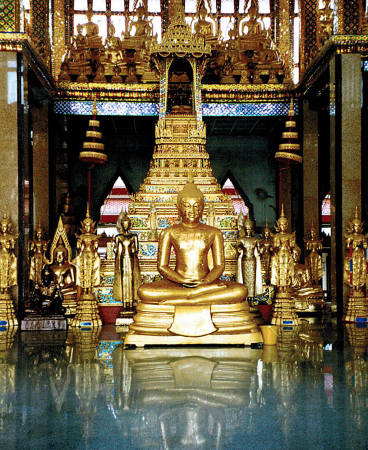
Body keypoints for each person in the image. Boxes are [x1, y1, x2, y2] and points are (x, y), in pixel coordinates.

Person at [138, 181, 247, 305]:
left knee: (241, 290)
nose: (192, 210)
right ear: (179, 207)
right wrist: (182, 280)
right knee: (144, 291)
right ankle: (196, 295)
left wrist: (206, 281)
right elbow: (162, 266)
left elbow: (219, 266)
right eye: (187, 206)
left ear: (202, 208)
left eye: (196, 206)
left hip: (206, 282)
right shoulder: (169, 232)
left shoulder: (214, 232)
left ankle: (193, 298)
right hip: (178, 283)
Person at [113, 211, 141, 310]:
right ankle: (125, 302)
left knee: (131, 280)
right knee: (124, 280)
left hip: (131, 260)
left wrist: (133, 250)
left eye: (127, 224)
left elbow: (136, 249)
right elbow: (115, 249)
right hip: (122, 260)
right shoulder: (118, 237)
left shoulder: (134, 237)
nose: (125, 226)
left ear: (129, 225)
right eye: (124, 224)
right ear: (121, 225)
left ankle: (131, 301)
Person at [73, 210, 101, 296]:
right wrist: (79, 243)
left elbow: (96, 248)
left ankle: (90, 290)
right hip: (84, 255)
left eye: (89, 226)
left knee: (91, 272)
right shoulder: (82, 236)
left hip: (92, 255)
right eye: (86, 226)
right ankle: (84, 290)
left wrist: (96, 243)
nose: (88, 228)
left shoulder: (94, 237)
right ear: (84, 227)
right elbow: (79, 248)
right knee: (84, 273)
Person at [236, 217, 262, 299]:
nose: (248, 230)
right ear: (244, 229)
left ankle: (252, 298)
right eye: (247, 229)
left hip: (253, 260)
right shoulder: (241, 240)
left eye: (250, 229)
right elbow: (237, 249)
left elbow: (259, 251)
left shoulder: (255, 239)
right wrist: (239, 250)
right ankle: (244, 296)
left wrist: (263, 249)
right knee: (244, 280)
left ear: (252, 229)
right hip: (244, 260)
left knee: (252, 281)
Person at [0, 213, 17, 295]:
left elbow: (12, 248)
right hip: (0, 255)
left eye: (5, 226)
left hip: (7, 256)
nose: (4, 228)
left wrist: (11, 244)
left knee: (6, 272)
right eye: (3, 226)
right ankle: (1, 288)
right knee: (1, 271)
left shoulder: (10, 237)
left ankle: (6, 288)